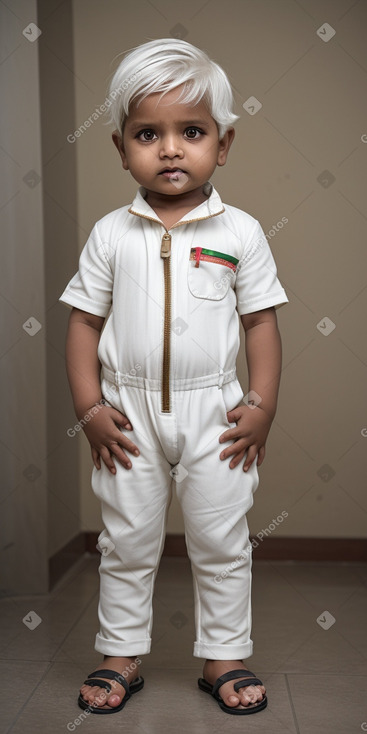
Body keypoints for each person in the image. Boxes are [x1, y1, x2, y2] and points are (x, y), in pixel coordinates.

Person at [60, 37, 288, 716]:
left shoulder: (241, 233)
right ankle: (120, 654)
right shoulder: (109, 235)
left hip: (214, 414)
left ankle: (222, 655)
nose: (168, 149)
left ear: (222, 145)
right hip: (125, 415)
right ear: (120, 147)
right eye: (146, 133)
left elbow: (260, 325)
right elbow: (80, 326)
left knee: (221, 540)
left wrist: (261, 404)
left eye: (190, 132)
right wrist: (89, 408)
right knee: (125, 539)